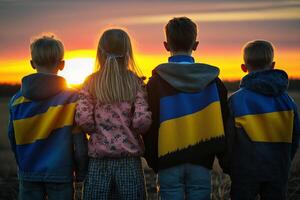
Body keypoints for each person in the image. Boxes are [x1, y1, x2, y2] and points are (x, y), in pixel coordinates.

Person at [143, 17, 229, 200]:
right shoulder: (213, 82)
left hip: (167, 160)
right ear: (195, 44)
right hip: (202, 160)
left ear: (166, 45)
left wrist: (153, 159)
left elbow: (150, 126)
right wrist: (221, 155)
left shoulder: (156, 83)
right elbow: (224, 120)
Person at [7, 34, 88, 200]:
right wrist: (81, 171)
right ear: (62, 64)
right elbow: (79, 141)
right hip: (61, 173)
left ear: (32, 63)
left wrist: (22, 165)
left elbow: (12, 137)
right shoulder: (72, 98)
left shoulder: (16, 101)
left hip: (28, 170)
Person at [75, 28, 152, 200]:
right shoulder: (135, 82)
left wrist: (97, 131)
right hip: (129, 162)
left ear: (100, 53)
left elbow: (83, 119)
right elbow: (142, 122)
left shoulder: (90, 82)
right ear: (127, 53)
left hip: (98, 161)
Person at [228, 40, 300, 200]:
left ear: (244, 68)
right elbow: (295, 136)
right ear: (273, 65)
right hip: (278, 168)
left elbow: (229, 139)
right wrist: (285, 160)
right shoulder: (288, 101)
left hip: (244, 171)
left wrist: (229, 165)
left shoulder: (236, 101)